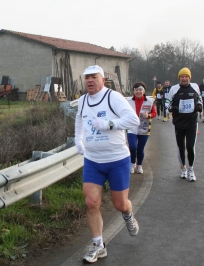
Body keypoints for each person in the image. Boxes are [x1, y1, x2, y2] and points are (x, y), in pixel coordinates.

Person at [74, 65, 140, 263]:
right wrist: (78, 139)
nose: (90, 81)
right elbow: (79, 120)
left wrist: (109, 124)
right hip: (93, 160)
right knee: (91, 202)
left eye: (94, 77)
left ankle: (128, 214)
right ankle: (98, 245)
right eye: (87, 78)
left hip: (117, 159)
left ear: (103, 80)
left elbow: (133, 120)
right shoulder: (83, 100)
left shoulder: (113, 97)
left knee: (120, 204)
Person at [166, 67, 202, 182]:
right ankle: (183, 169)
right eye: (182, 77)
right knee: (180, 147)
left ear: (189, 78)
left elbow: (199, 98)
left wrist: (200, 105)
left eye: (186, 76)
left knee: (190, 147)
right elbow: (167, 103)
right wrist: (171, 109)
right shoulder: (174, 89)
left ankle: (191, 169)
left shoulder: (195, 87)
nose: (184, 79)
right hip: (178, 123)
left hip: (192, 122)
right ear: (179, 78)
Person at [126, 82, 156, 174]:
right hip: (131, 127)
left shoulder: (150, 101)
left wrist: (149, 115)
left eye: (140, 90)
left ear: (144, 91)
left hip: (144, 128)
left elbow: (154, 113)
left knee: (140, 148)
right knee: (133, 147)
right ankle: (132, 163)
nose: (138, 91)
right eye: (136, 90)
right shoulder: (128, 101)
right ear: (133, 91)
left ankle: (139, 165)